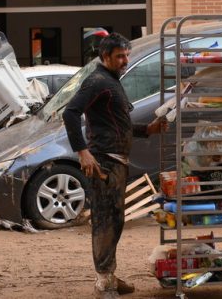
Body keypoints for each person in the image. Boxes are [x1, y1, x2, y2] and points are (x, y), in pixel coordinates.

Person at [63, 32, 167, 299]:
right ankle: (104, 282)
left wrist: (150, 129)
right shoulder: (97, 81)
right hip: (103, 163)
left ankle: (109, 274)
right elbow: (70, 112)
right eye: (120, 56)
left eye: (127, 55)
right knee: (105, 221)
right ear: (105, 56)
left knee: (116, 221)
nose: (125, 60)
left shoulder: (111, 81)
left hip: (117, 162)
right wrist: (83, 153)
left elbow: (118, 125)